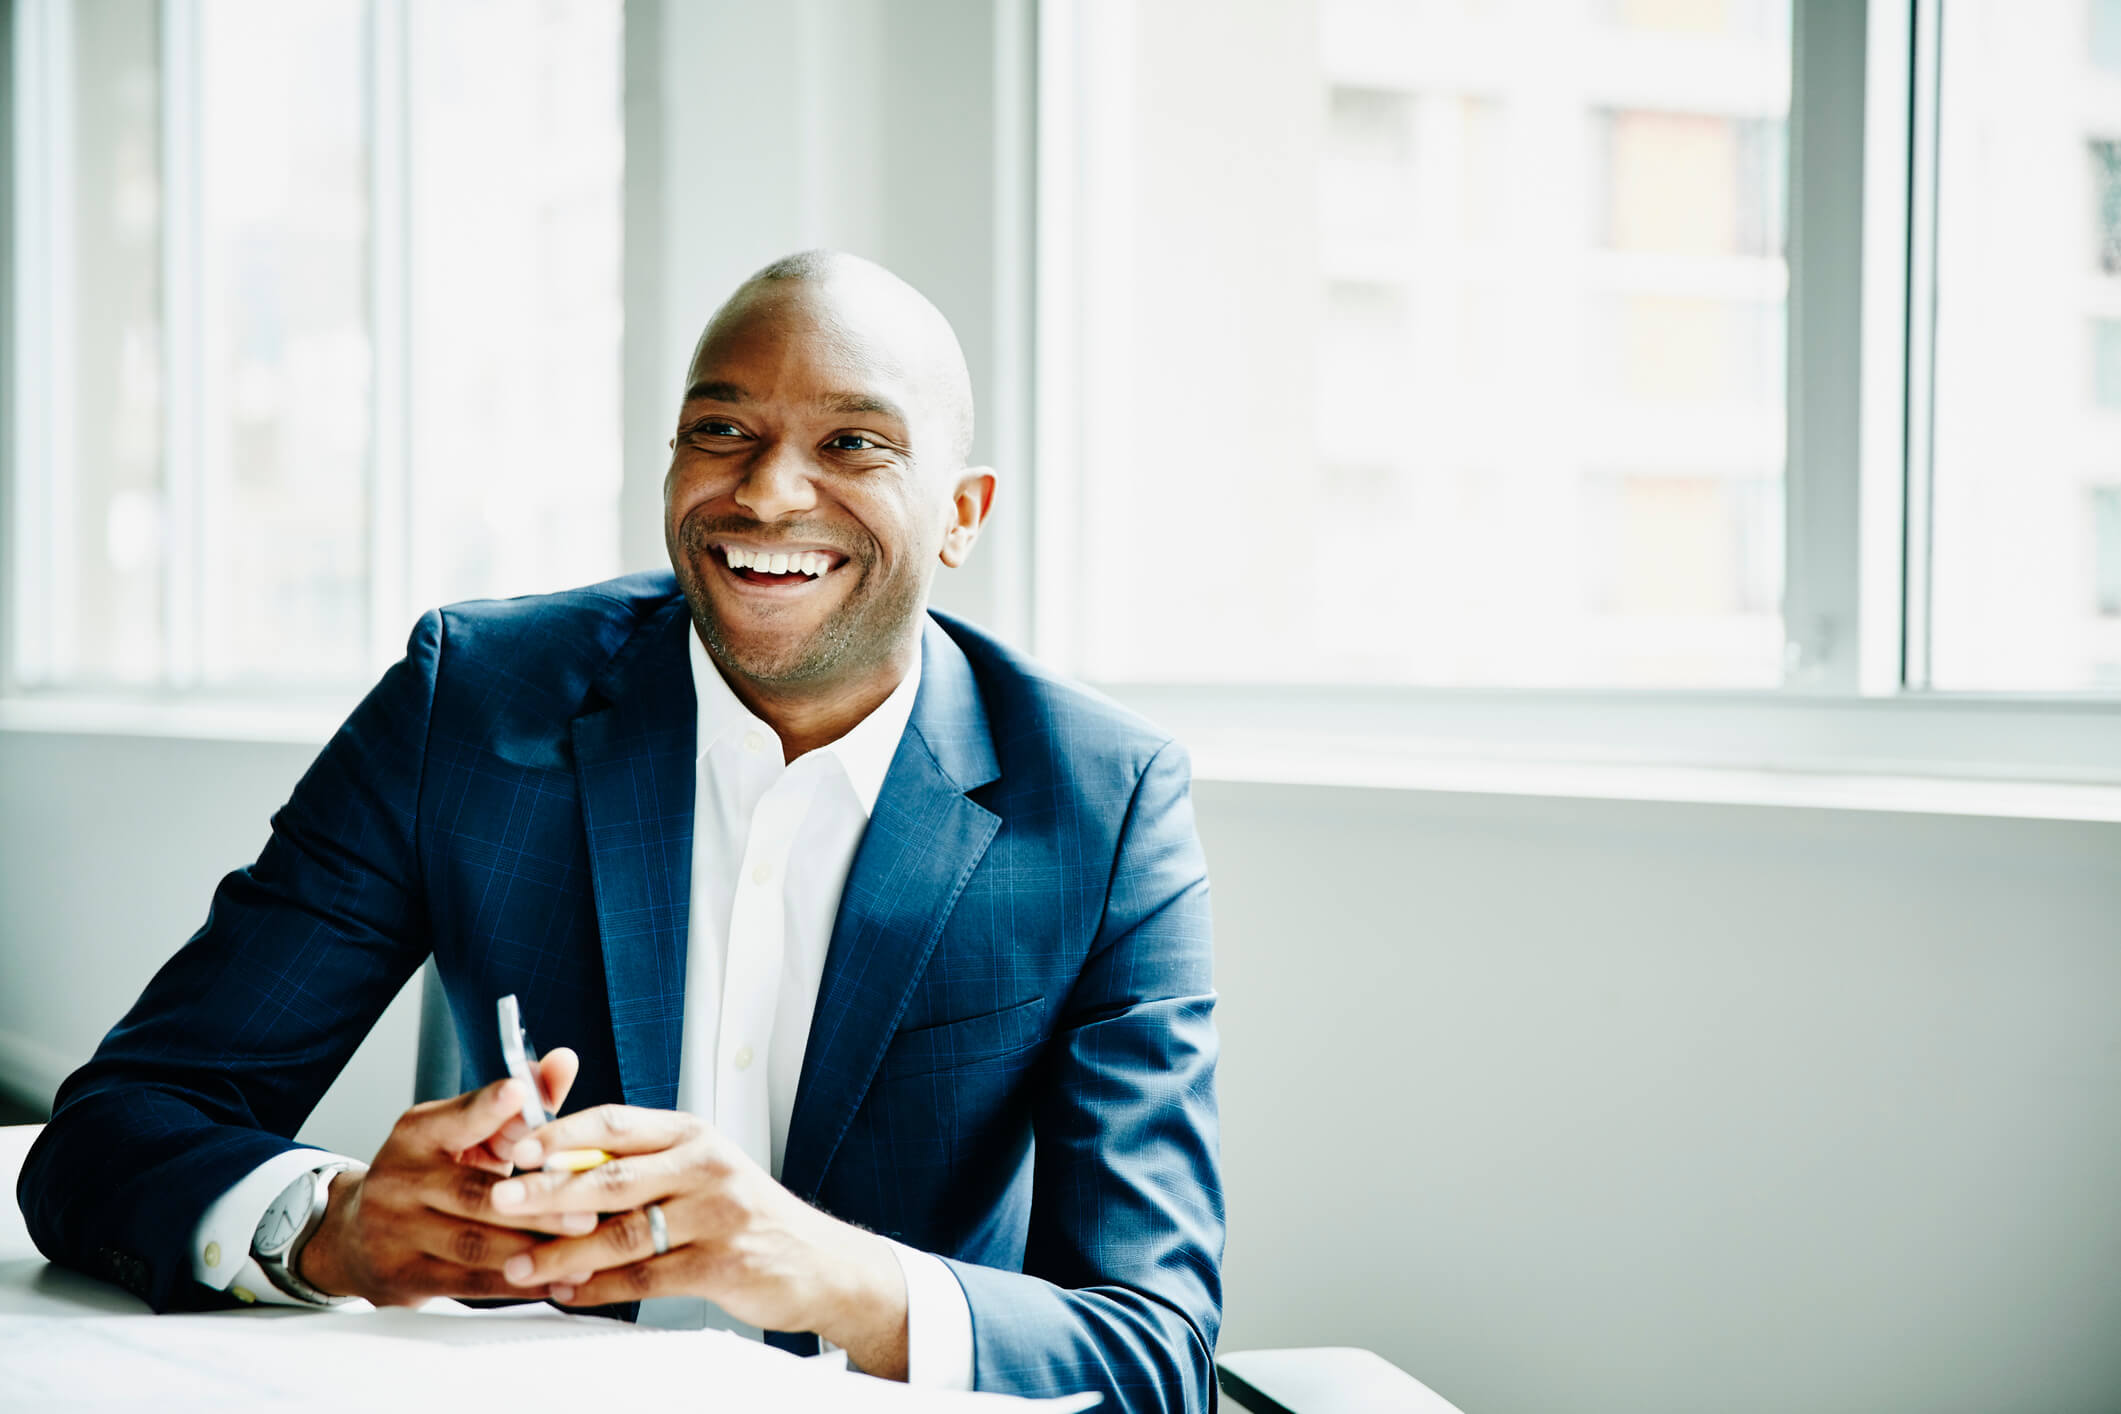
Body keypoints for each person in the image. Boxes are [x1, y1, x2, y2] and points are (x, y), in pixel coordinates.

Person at [17, 252, 1223, 1410]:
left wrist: (818, 1269)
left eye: (853, 442)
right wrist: (334, 1227)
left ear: (960, 514)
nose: (764, 491)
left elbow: (1156, 1349)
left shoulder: (1102, 805)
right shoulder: (470, 703)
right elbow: (109, 1136)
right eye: (721, 431)